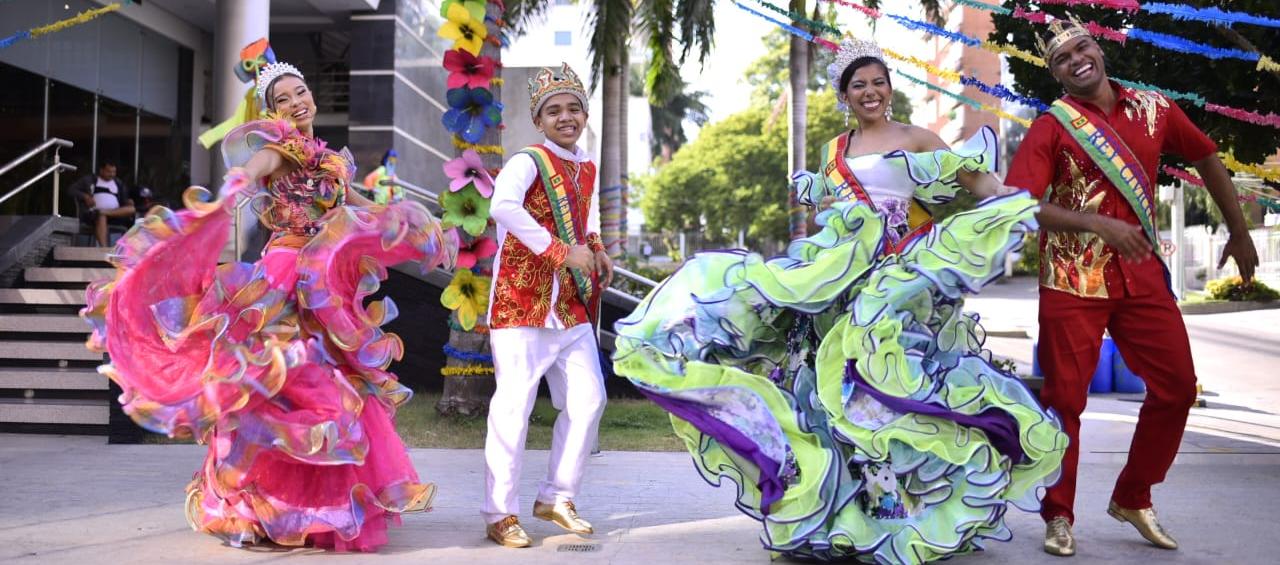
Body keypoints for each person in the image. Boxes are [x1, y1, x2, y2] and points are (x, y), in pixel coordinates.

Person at [611, 38, 1067, 563]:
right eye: (858, 86)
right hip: (837, 290)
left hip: (894, 290)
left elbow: (980, 183)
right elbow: (836, 215)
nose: (869, 92)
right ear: (844, 97)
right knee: (833, 401)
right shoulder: (834, 151)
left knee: (885, 395)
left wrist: (1016, 208)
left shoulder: (919, 138)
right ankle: (844, 516)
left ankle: (896, 516)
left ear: (890, 88)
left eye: (877, 82)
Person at [81, 61, 457, 552]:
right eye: (284, 99)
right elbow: (254, 166)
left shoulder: (330, 159)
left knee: (337, 385)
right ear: (273, 110)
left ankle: (318, 511)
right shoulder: (279, 149)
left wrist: (403, 224)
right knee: (282, 382)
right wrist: (235, 185)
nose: (297, 102)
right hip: (285, 277)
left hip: (326, 281)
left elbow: (353, 205)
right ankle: (258, 504)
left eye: (301, 92)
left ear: (313, 96)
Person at [1005, 19, 1259, 557]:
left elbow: (1206, 155)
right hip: (1072, 280)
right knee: (1064, 403)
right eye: (1062, 59)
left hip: (1140, 275)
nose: (1077, 60)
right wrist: (1096, 223)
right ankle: (1058, 514)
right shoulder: (1053, 127)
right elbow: (1020, 204)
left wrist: (1239, 232)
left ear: (1099, 47)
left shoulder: (1155, 109)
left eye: (1083, 47)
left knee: (1176, 386)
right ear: (1054, 72)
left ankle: (1134, 496)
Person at [481, 63, 612, 548]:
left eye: (573, 108)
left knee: (589, 399)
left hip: (570, 306)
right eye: (554, 110)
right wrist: (560, 251)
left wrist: (595, 247)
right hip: (522, 304)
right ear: (539, 119)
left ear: (584, 113)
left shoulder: (586, 164)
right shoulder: (527, 161)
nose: (565, 117)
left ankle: (557, 495)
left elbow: (584, 217)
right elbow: (502, 207)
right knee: (513, 408)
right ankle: (500, 513)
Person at [70, 161, 136, 246]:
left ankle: (103, 211)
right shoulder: (90, 180)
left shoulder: (118, 183)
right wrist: (85, 196)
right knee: (101, 216)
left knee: (132, 209)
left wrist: (128, 201)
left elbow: (124, 200)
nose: (112, 174)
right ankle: (104, 249)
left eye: (114, 172)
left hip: (115, 215)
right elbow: (71, 190)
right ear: (101, 170)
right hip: (94, 215)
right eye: (109, 172)